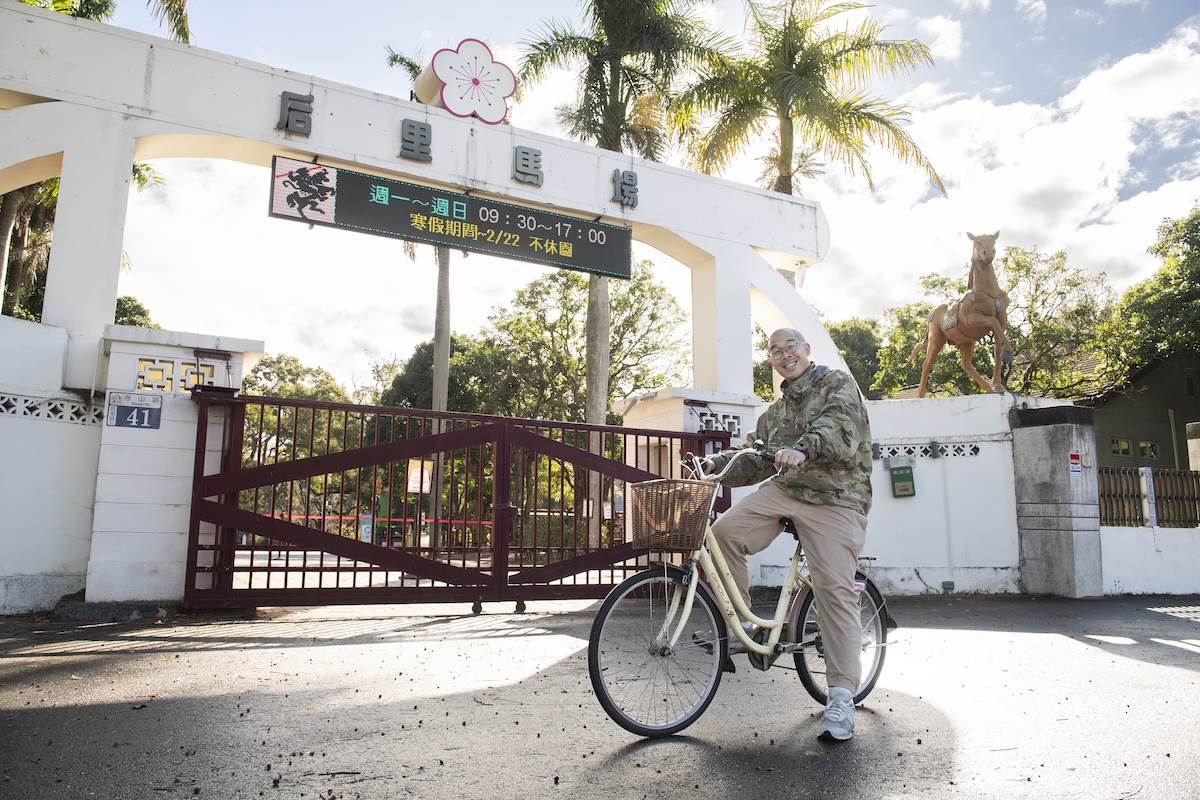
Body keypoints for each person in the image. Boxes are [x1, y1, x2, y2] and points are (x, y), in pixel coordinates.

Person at [701, 327, 873, 742]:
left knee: (832, 588)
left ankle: (841, 695)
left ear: (806, 349)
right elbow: (755, 455)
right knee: (723, 534)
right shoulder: (774, 414)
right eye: (775, 351)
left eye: (790, 346)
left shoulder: (837, 383)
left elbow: (840, 429)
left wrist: (805, 447)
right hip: (786, 491)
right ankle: (748, 630)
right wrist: (714, 464)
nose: (783, 355)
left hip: (836, 496)